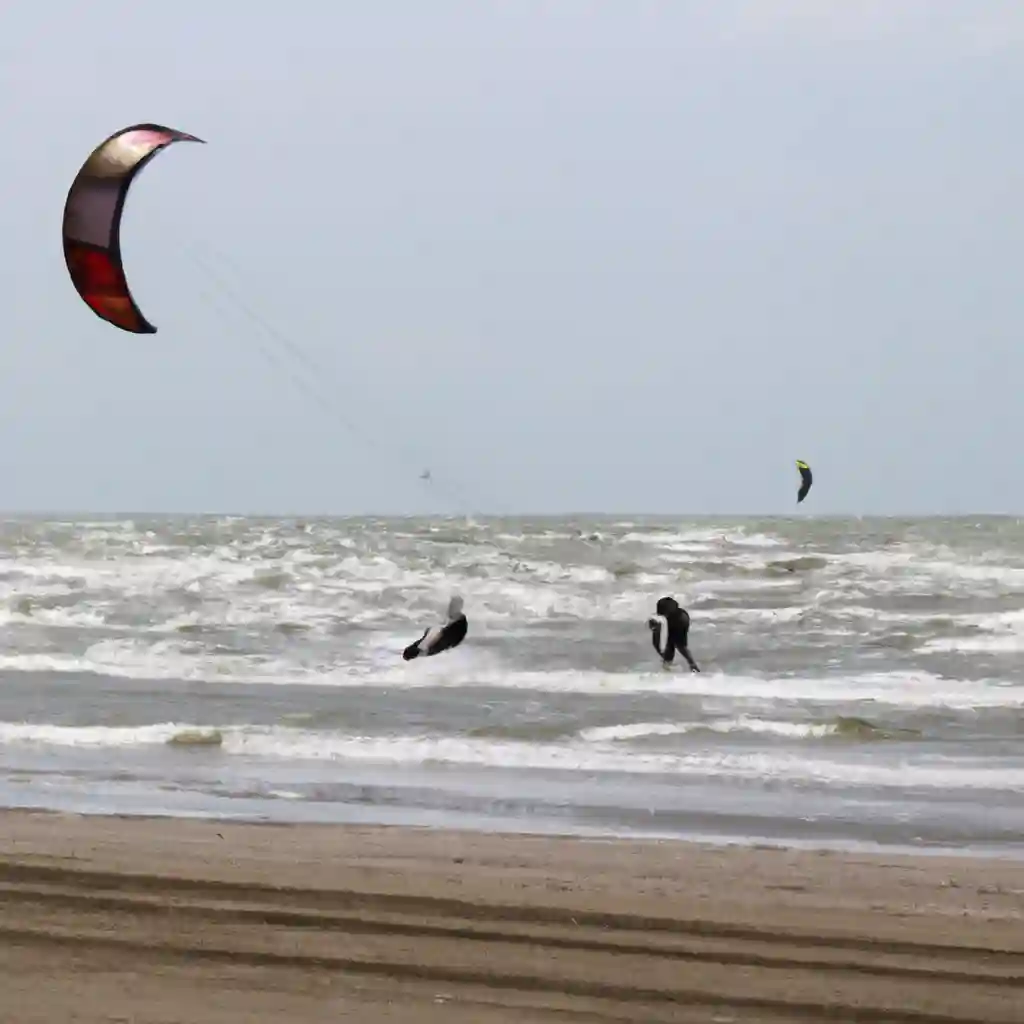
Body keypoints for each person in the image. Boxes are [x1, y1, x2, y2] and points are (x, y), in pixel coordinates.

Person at [403, 595, 468, 660]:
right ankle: (457, 596)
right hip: (454, 633)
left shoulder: (424, 649)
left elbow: (435, 635)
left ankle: (457, 597)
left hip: (454, 637)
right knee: (452, 616)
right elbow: (436, 633)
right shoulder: (424, 647)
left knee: (451, 616)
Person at [647, 596, 700, 672]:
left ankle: (692, 665)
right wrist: (654, 627)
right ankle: (667, 662)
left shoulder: (681, 619)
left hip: (680, 623)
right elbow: (656, 639)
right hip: (670, 618)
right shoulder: (660, 617)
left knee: (679, 645)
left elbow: (681, 646)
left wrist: (691, 662)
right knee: (663, 644)